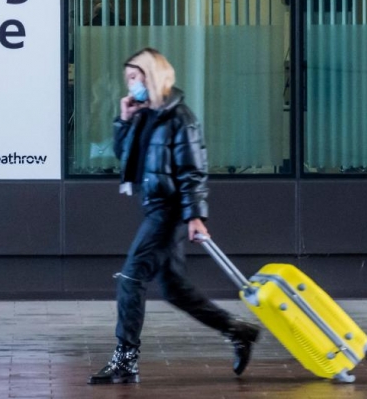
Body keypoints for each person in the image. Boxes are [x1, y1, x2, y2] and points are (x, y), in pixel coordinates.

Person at [88, 47, 261, 385]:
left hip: (168, 211)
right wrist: (123, 120)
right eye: (128, 79)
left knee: (131, 277)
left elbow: (193, 170)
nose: (130, 84)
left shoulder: (181, 117)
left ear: (152, 76)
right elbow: (124, 156)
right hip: (154, 206)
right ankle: (238, 331)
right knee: (174, 288)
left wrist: (196, 216)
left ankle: (125, 359)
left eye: (135, 77)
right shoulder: (145, 115)